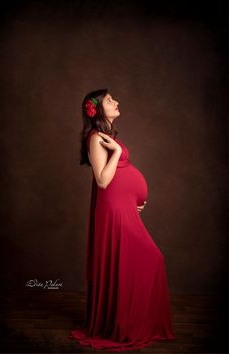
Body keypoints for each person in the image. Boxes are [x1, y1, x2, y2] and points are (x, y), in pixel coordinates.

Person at [68, 88, 176, 351]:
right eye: (109, 100)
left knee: (137, 263)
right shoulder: (95, 138)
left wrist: (133, 198)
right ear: (96, 109)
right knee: (148, 260)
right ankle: (123, 325)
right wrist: (116, 151)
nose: (116, 102)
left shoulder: (106, 136)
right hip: (113, 210)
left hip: (122, 206)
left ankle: (134, 321)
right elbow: (103, 181)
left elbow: (120, 178)